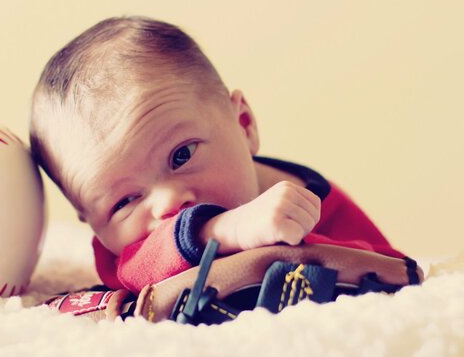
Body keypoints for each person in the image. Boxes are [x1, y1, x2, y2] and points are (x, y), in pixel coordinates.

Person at [30, 16, 405, 296]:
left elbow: (396, 271)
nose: (168, 203)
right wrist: (217, 231)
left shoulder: (322, 203)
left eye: (181, 156)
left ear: (244, 124)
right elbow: (133, 271)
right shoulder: (126, 246)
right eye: (125, 200)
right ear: (89, 221)